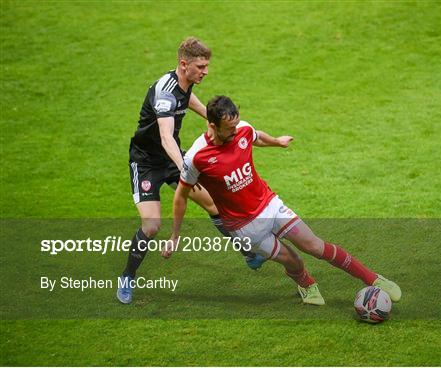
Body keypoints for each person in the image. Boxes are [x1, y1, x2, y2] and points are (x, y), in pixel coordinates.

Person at [163, 95, 402, 306]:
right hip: (244, 228)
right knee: (294, 261)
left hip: (269, 205)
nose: (236, 131)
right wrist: (175, 235)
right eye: (229, 128)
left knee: (315, 246)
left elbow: (256, 137)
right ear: (212, 125)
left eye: (236, 124)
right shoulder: (197, 157)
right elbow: (181, 195)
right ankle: (306, 283)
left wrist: (277, 141)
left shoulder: (242, 129)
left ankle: (373, 279)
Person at [117, 39, 263, 305]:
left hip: (171, 160)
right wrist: (185, 166)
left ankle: (247, 252)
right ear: (184, 65)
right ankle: (127, 276)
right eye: (201, 66)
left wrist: (233, 128)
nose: (205, 71)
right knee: (151, 226)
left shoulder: (186, 85)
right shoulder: (165, 92)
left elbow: (205, 112)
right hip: (147, 163)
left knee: (213, 204)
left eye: (206, 65)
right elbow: (165, 137)